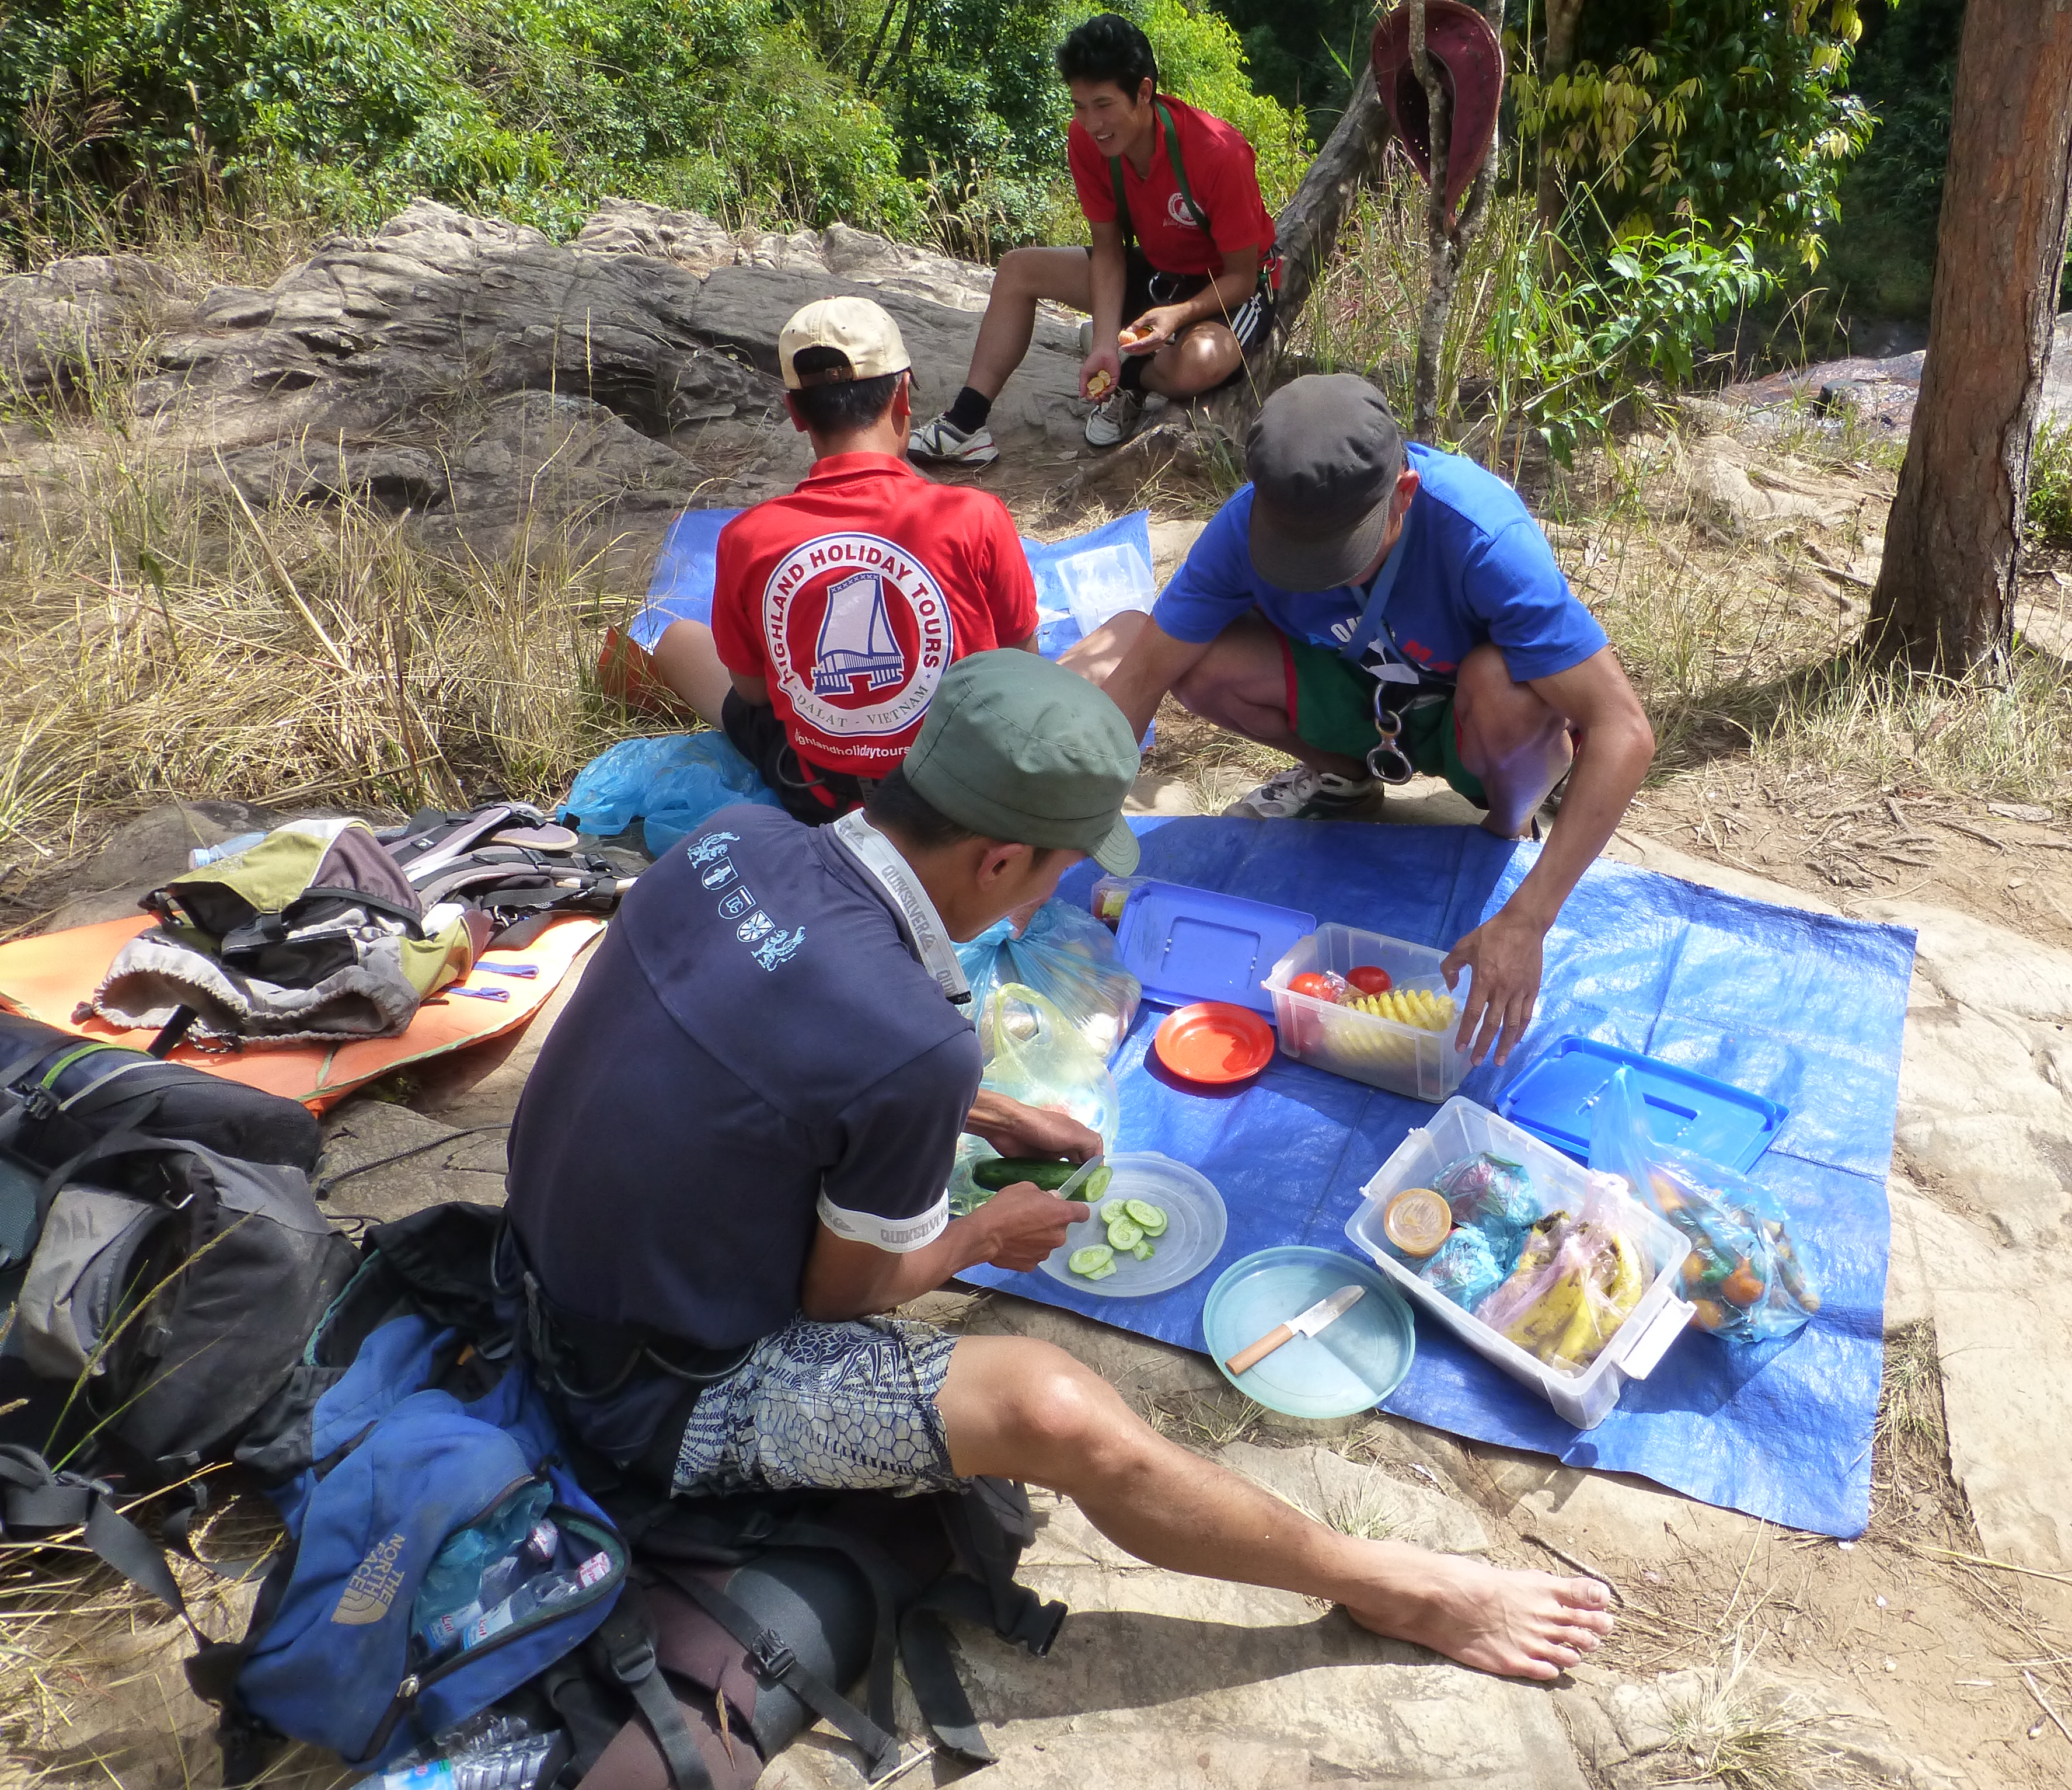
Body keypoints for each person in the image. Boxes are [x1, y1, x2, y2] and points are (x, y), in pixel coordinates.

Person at [501, 650, 1614, 1683]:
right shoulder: (912, 1045)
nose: (1048, 902)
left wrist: (988, 1114)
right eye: (1055, 877)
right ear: (996, 858)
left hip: (539, 1264)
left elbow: (769, 1044)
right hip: (652, 1392)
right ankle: (1388, 1585)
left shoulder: (735, 838)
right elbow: (838, 1298)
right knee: (1056, 1409)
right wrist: (986, 1235)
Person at [1072, 374, 1656, 1068]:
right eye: (1295, 555)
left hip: (1470, 725)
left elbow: (1624, 729)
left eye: (1342, 552)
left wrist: (1527, 919)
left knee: (1503, 685)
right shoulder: (1246, 523)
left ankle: (1506, 825)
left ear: (1402, 495)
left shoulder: (1481, 535)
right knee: (1195, 663)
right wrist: (1061, 841)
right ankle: (1344, 779)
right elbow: (1142, 675)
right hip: (1362, 705)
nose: (1317, 576)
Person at [648, 297, 1040, 821]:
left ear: (794, 412)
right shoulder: (976, 516)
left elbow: (752, 690)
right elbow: (1023, 668)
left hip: (819, 792)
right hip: (962, 800)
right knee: (1120, 632)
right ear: (903, 394)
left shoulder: (748, 537)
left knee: (678, 639)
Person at [909, 14, 1276, 465]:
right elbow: (1108, 249)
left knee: (1197, 363)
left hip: (1224, 289)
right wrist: (1105, 341)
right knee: (1019, 268)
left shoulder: (1220, 154)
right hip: (1157, 271)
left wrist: (1176, 317)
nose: (1091, 122)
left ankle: (1131, 378)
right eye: (1080, 106)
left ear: (1143, 93)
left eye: (1103, 104)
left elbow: (1242, 275)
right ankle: (965, 423)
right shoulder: (1087, 142)